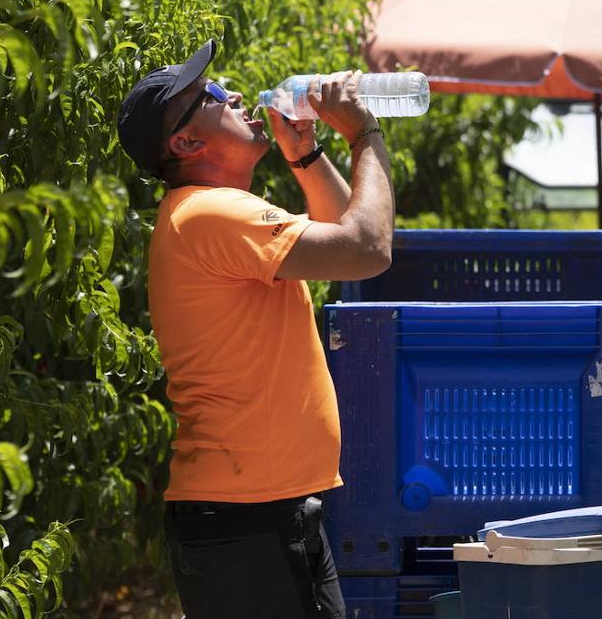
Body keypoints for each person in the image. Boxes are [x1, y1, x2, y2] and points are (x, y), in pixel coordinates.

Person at [116, 40, 394, 619]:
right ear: (188, 143)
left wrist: (307, 156)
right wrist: (365, 135)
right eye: (212, 94)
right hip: (246, 523)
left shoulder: (208, 212)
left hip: (256, 516)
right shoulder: (208, 213)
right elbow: (367, 247)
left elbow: (343, 238)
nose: (235, 93)